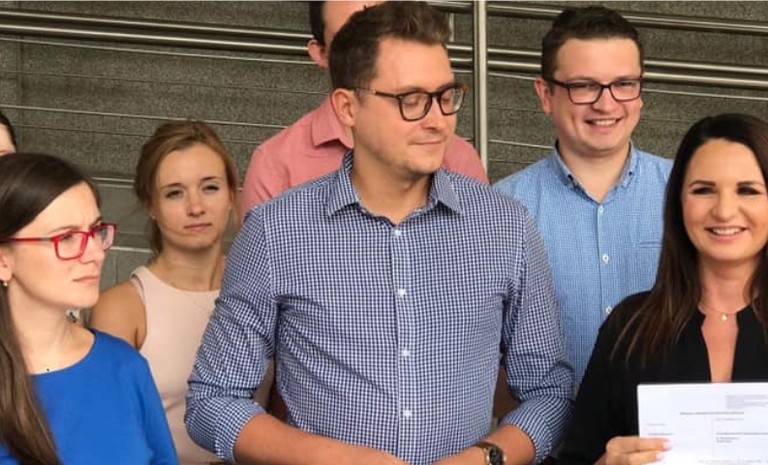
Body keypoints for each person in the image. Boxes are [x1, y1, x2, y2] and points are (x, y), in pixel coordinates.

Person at [186, 3, 573, 465]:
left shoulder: (505, 228)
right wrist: (338, 460)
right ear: (347, 107)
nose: (437, 119)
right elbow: (213, 400)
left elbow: (549, 393)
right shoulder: (276, 232)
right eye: (411, 100)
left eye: (446, 96)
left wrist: (484, 458)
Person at [558, 113, 768, 465]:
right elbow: (576, 457)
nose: (724, 211)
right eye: (703, 190)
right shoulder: (629, 327)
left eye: (748, 190)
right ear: (678, 202)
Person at [494, 5, 672, 386]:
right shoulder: (500, 209)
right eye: (584, 86)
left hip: (668, 423)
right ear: (545, 95)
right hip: (547, 425)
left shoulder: (687, 193)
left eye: (624, 83)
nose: (606, 104)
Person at [90, 121, 271, 465]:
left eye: (210, 187)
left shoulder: (262, 286)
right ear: (151, 205)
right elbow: (110, 435)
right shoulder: (124, 307)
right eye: (175, 193)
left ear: (232, 194)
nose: (196, 207)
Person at [0, 152, 178, 464]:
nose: (95, 253)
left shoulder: (125, 367)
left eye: (96, 231)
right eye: (67, 237)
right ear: (3, 260)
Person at [239, 0, 488, 218]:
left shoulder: (459, 158)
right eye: (411, 100)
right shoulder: (275, 165)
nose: (437, 121)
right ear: (321, 53)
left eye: (385, 23)